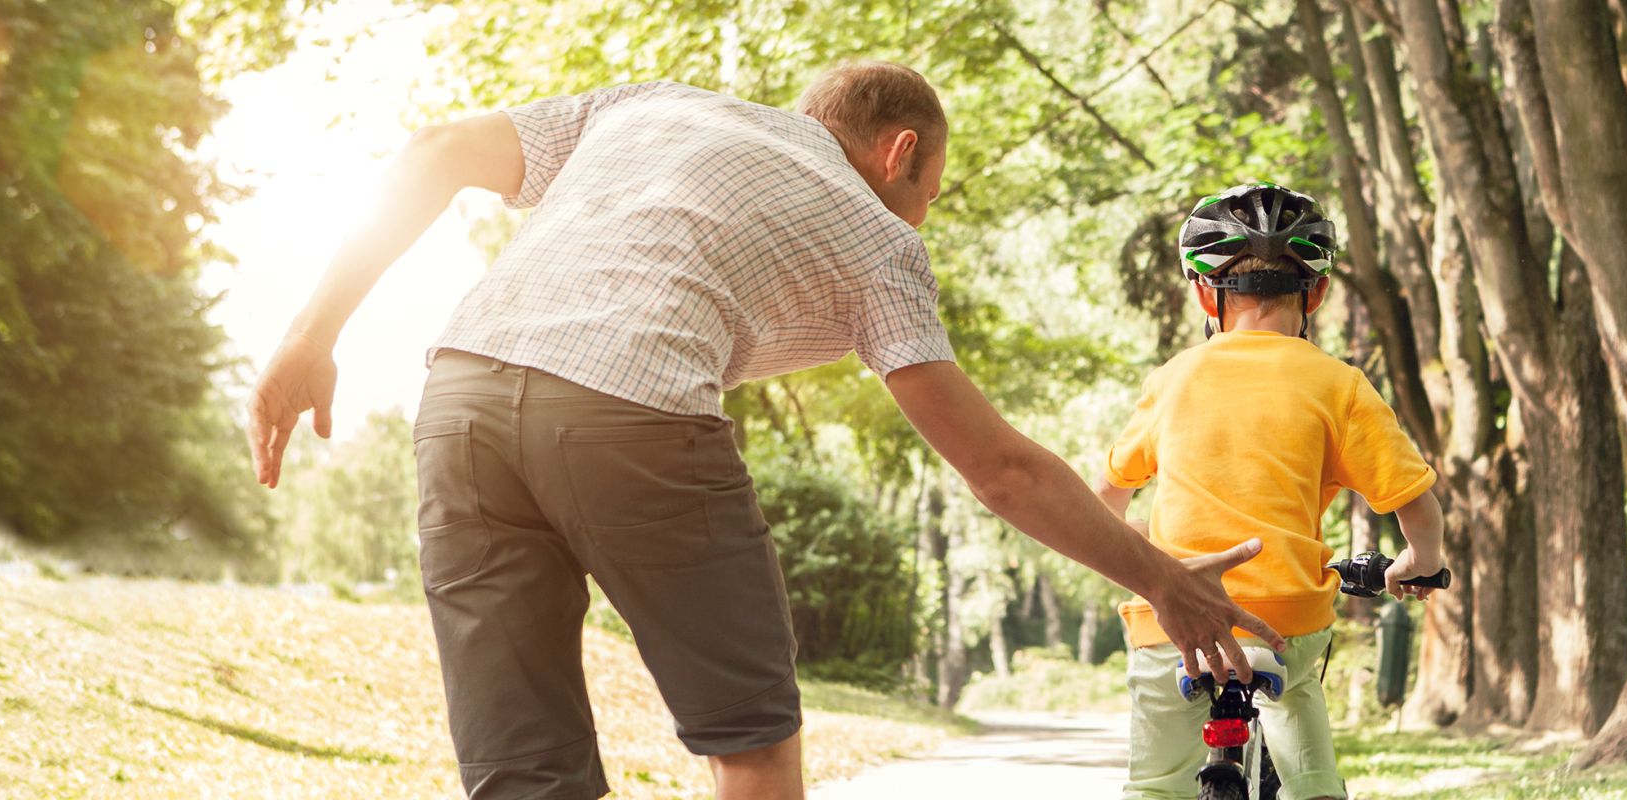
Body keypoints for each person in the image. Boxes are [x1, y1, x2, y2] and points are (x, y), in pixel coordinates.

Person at [244, 63, 1284, 800]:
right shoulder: (878, 233)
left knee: (524, 771)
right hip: (633, 407)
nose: (919, 213)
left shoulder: (645, 105)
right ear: (900, 151)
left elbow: (435, 149)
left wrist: (310, 335)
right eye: (929, 191)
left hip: (459, 398)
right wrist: (1159, 575)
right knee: (750, 743)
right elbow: (1001, 469)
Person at [1093, 183, 1448, 800]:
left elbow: (1108, 498)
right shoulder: (1339, 385)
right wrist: (1422, 561)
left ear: (1207, 292)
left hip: (1172, 619)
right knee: (1303, 724)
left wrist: (1144, 567)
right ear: (1317, 291)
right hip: (1283, 618)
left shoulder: (1173, 379)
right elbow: (1413, 501)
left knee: (1154, 784)